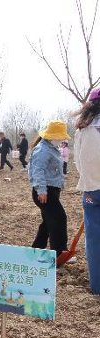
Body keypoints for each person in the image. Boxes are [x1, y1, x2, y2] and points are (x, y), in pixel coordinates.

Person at [72, 86, 100, 294]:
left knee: (94, 240)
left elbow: (78, 161)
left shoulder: (83, 128)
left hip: (91, 189)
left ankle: (97, 286)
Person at [28, 121, 70, 256]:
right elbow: (37, 170)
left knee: (48, 222)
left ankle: (36, 249)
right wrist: (41, 190)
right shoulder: (43, 150)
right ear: (53, 136)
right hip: (45, 191)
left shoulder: (50, 148)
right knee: (59, 218)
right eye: (61, 136)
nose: (62, 139)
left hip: (51, 190)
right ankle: (59, 252)